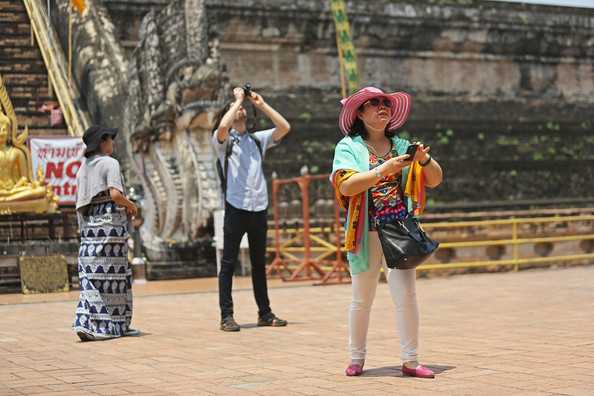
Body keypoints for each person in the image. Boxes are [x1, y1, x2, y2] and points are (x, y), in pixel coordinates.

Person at [331, 87, 443, 377]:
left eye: (386, 103)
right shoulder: (349, 147)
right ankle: (356, 358)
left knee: (406, 295)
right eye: (375, 103)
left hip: (399, 231)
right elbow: (346, 186)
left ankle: (411, 359)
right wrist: (385, 169)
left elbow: (435, 179)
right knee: (361, 298)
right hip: (364, 232)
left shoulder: (403, 143)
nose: (383, 107)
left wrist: (423, 160)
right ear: (359, 112)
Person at [212, 87, 291, 332]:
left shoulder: (257, 140)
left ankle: (264, 313)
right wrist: (236, 101)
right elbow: (223, 128)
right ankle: (227, 315)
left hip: (258, 207)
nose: (241, 109)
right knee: (228, 263)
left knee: (258, 263)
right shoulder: (222, 142)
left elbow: (284, 127)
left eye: (243, 108)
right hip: (236, 207)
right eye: (236, 109)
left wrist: (261, 104)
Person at [73, 125, 139, 341]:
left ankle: (90, 323)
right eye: (110, 139)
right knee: (116, 277)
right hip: (110, 224)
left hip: (91, 226)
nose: (113, 143)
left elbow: (80, 204)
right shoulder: (110, 163)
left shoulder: (83, 168)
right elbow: (115, 194)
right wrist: (131, 206)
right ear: (102, 142)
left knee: (92, 276)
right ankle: (116, 325)